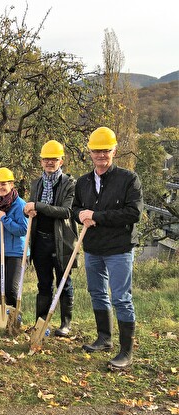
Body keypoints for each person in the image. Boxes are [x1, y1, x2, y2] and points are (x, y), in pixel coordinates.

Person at [73, 127, 143, 370]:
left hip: (119, 248)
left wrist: (97, 216)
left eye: (106, 150)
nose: (101, 155)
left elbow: (134, 213)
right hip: (92, 248)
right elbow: (74, 209)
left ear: (114, 150)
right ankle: (104, 338)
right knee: (97, 293)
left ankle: (126, 351)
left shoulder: (128, 179)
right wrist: (81, 215)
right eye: (96, 151)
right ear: (89, 153)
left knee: (122, 298)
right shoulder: (82, 182)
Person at [23, 140, 78, 336]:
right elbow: (31, 208)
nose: (49, 163)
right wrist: (27, 209)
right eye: (46, 159)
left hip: (61, 240)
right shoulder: (36, 184)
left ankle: (65, 324)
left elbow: (66, 211)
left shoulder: (69, 183)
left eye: (54, 159)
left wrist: (37, 205)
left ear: (61, 161)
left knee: (64, 282)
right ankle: (41, 324)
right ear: (41, 161)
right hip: (40, 241)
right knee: (43, 283)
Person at [0, 168, 28, 311]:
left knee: (11, 290)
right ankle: (7, 319)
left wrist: (5, 219)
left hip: (16, 252)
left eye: (3, 184)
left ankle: (15, 319)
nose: (0, 187)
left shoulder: (20, 205)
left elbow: (23, 230)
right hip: (1, 251)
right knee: (3, 290)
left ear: (11, 184)